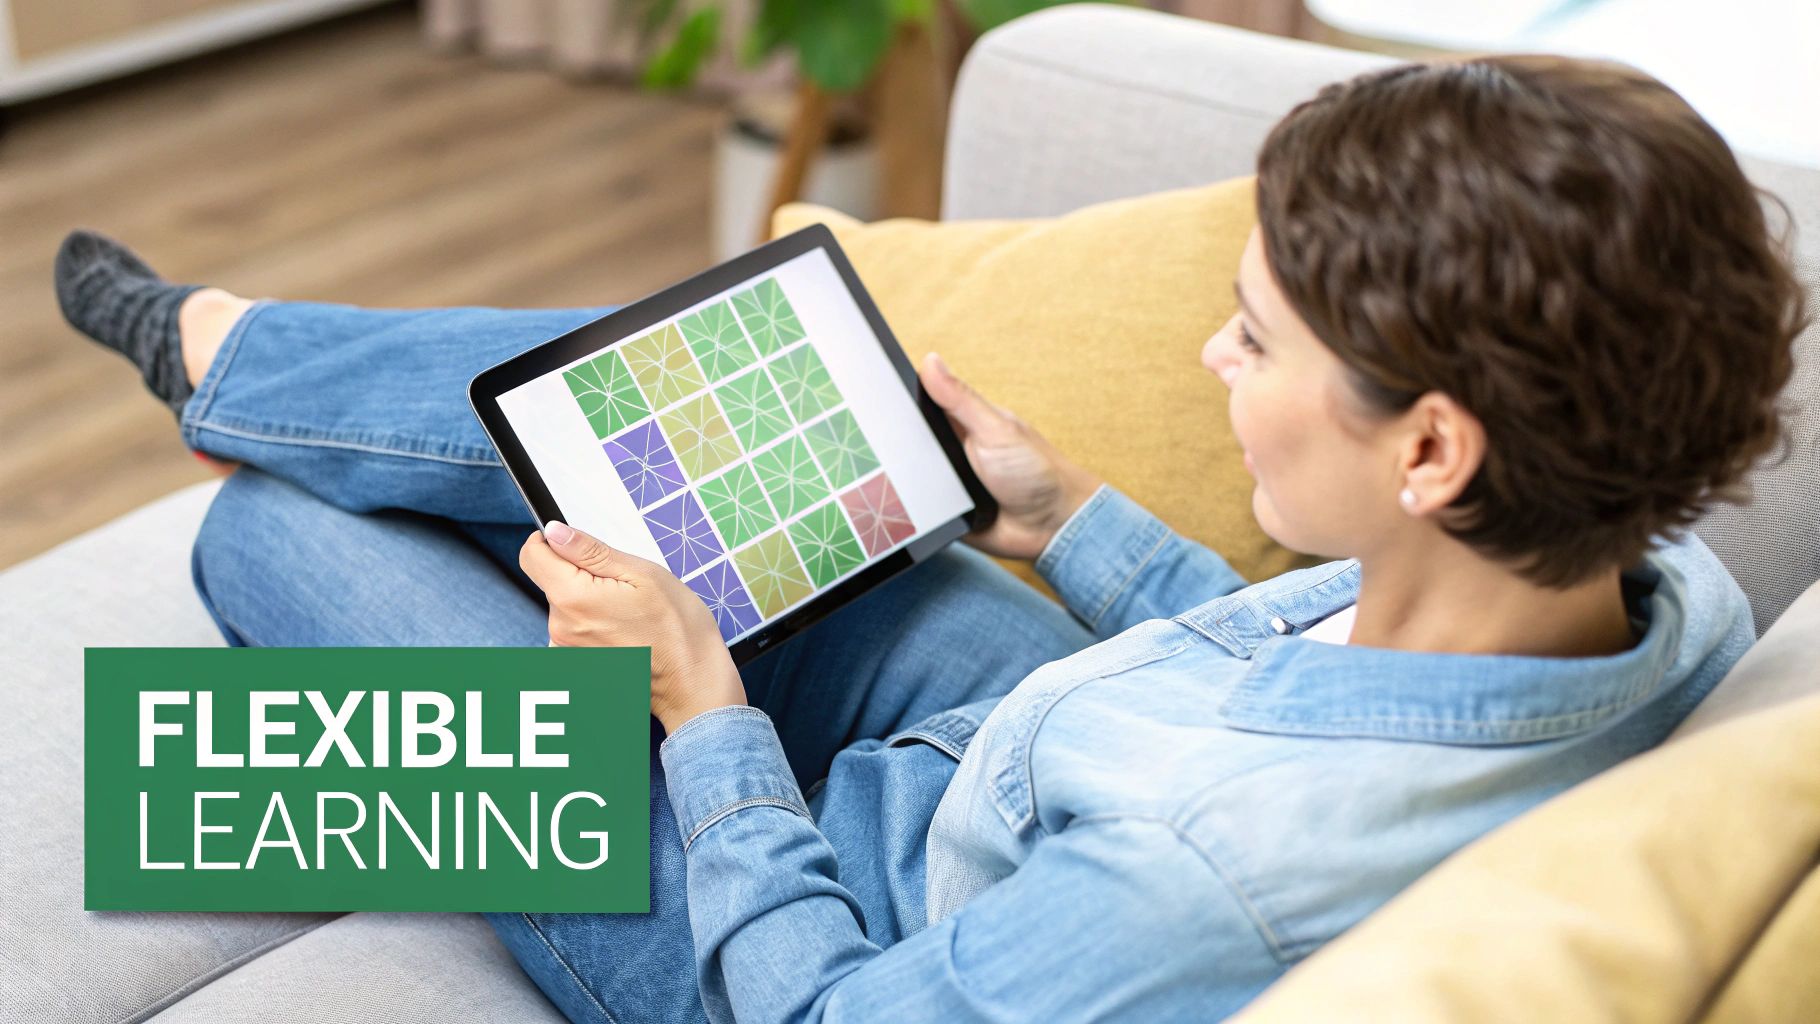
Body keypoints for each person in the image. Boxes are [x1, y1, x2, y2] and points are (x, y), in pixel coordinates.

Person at [57, 55, 1804, 1023]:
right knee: (735, 413)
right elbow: (1331, 676)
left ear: (1430, 446)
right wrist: (1071, 518)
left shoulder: (1200, 883)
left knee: (265, 536)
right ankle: (240, 348)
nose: (1215, 357)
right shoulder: (1650, 589)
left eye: (1257, 339)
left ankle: (254, 397)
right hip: (1034, 750)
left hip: (804, 941)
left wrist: (706, 728)